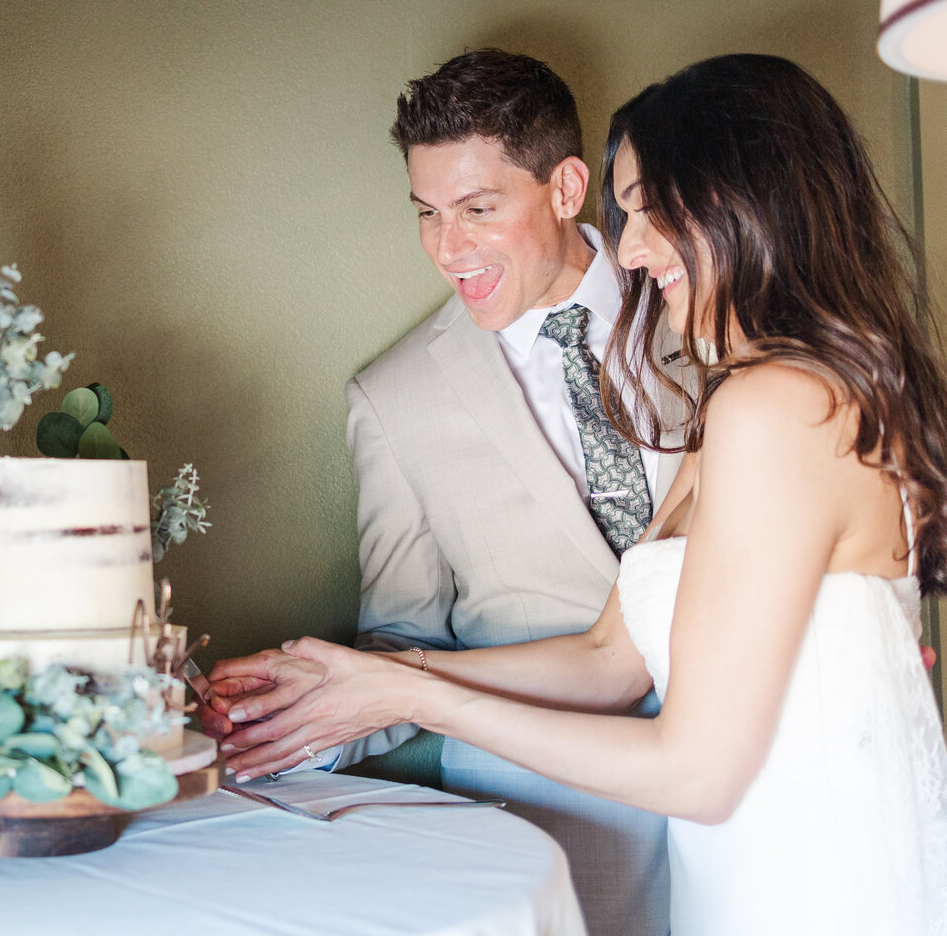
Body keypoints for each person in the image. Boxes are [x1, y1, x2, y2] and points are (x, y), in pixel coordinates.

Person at [211, 54, 947, 935]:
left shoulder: (772, 402)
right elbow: (612, 658)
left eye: (646, 210)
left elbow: (698, 773)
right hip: (717, 862)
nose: (631, 247)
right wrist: (372, 679)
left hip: (804, 874)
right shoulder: (749, 393)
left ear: (741, 200)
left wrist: (418, 698)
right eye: (626, 212)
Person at [203, 48, 676, 936]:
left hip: (754, 802)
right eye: (426, 213)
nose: (447, 247)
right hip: (552, 835)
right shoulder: (393, 400)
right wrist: (282, 719)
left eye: (477, 209)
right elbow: (401, 640)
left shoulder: (705, 309)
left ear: (567, 187)